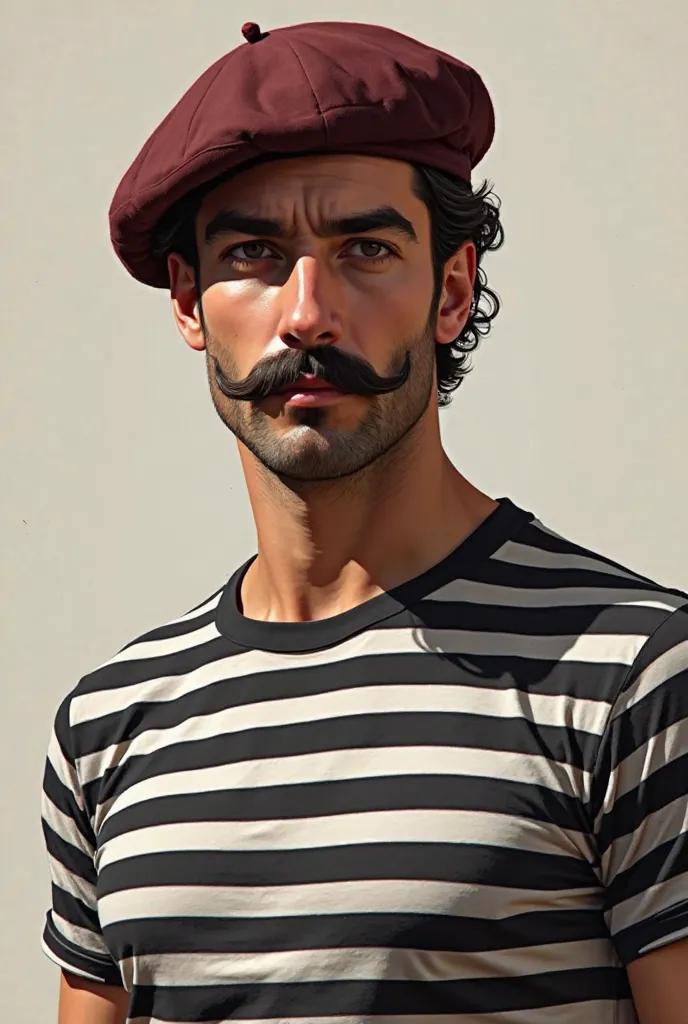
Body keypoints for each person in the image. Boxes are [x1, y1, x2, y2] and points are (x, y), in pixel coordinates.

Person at [40, 19, 688, 1024]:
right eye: (253, 252)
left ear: (451, 288)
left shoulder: (638, 674)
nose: (307, 313)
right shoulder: (108, 725)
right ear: (187, 303)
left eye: (365, 249)